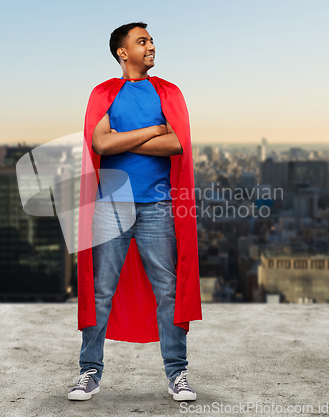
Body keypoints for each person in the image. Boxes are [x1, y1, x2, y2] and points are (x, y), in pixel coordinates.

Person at [68, 22, 201, 402]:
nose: (152, 46)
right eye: (142, 41)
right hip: (110, 206)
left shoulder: (169, 92)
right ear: (122, 52)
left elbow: (177, 143)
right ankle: (89, 372)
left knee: (168, 290)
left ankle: (178, 373)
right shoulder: (104, 93)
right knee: (101, 292)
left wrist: (123, 141)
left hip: (158, 206)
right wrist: (152, 130)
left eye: (152, 40)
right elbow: (99, 143)